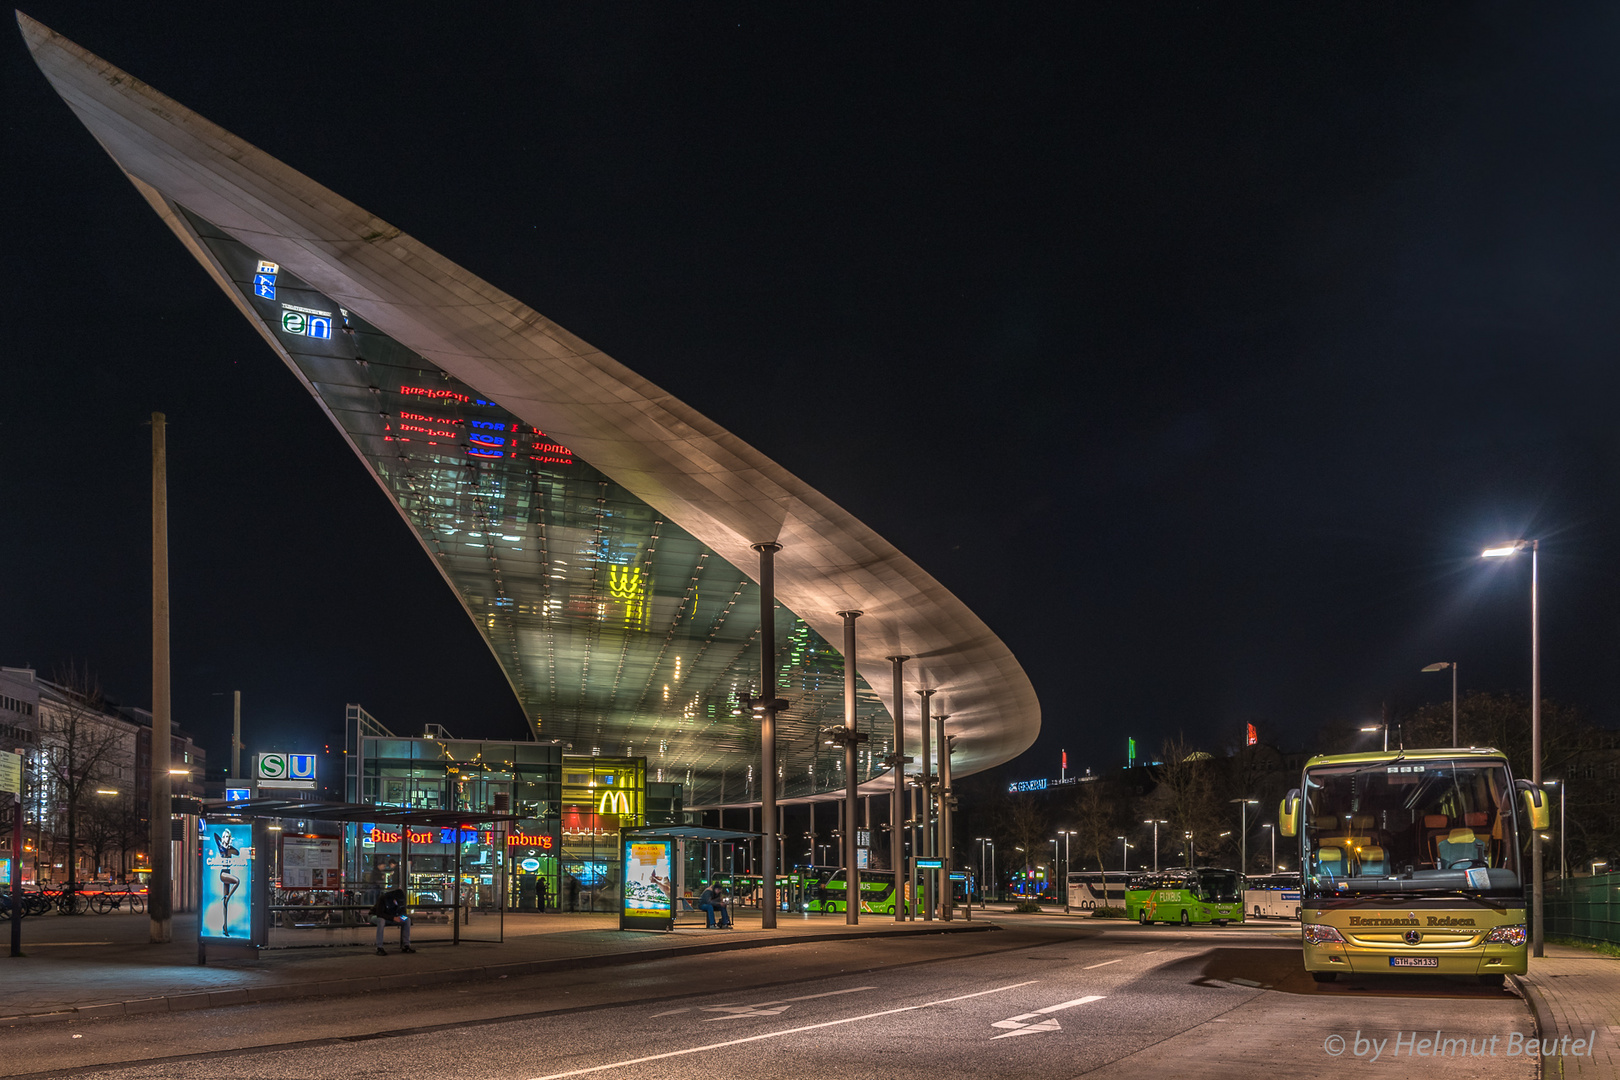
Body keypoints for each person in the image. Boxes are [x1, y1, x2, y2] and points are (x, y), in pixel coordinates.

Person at [369, 887, 415, 955]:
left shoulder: (401, 900)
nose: (398, 903)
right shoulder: (383, 898)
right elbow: (379, 913)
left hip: (391, 917)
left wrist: (402, 917)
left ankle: (406, 946)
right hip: (375, 916)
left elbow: (403, 912)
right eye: (396, 901)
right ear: (393, 898)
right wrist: (393, 918)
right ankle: (379, 947)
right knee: (381, 921)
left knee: (407, 920)